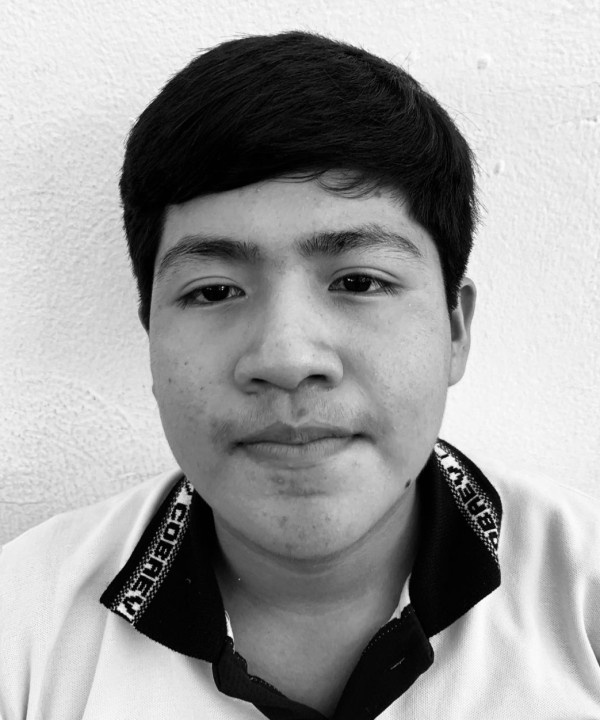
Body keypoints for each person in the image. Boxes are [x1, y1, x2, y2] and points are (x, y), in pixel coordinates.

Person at [1, 29, 599, 720]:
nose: (287, 359)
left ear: (455, 329)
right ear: (151, 337)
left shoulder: (582, 597)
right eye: (214, 290)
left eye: (359, 281)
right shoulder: (23, 625)